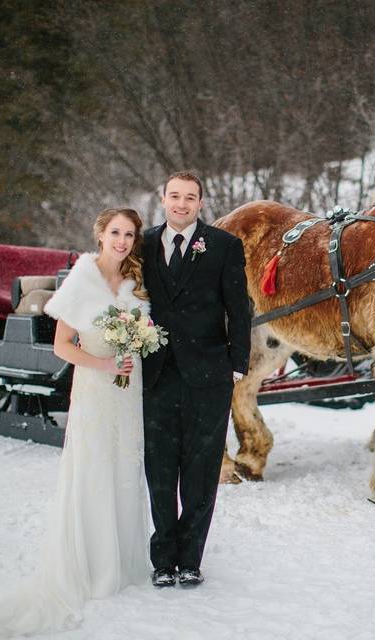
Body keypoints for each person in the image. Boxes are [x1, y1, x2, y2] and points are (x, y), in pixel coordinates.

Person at [0, 208, 152, 638]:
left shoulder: (133, 283)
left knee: (125, 467)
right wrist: (103, 364)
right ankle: (93, 566)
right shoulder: (81, 281)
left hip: (130, 389)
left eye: (129, 234)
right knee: (95, 468)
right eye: (115, 232)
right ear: (101, 235)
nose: (122, 241)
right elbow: (62, 347)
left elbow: (143, 330)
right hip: (97, 387)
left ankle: (123, 561)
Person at [141, 172, 251, 588]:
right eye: (174, 196)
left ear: (201, 203)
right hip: (155, 374)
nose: (181, 204)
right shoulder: (144, 243)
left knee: (202, 470)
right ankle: (162, 559)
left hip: (209, 374)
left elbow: (239, 309)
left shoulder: (223, 246)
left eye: (190, 198)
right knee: (160, 469)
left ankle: (190, 559)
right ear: (163, 198)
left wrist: (236, 364)